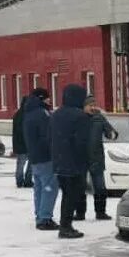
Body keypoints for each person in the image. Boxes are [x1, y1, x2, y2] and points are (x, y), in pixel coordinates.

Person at [50, 84, 91, 239]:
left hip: (59, 161)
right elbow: (82, 142)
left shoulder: (56, 114)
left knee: (67, 194)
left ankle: (65, 224)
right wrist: (85, 160)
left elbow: (51, 138)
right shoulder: (80, 116)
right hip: (75, 162)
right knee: (72, 195)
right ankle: (66, 226)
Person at [75, 97, 118, 221]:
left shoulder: (99, 118)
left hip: (97, 157)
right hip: (81, 158)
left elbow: (112, 133)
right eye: (90, 105)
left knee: (100, 187)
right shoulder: (78, 119)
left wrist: (111, 134)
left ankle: (100, 212)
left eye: (94, 105)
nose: (92, 108)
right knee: (80, 187)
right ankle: (80, 213)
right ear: (84, 107)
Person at [23, 88, 59, 231]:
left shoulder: (28, 113)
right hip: (45, 156)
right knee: (49, 187)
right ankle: (45, 218)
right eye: (47, 97)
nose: (50, 100)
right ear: (41, 98)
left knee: (38, 187)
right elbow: (47, 136)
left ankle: (40, 215)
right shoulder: (42, 114)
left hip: (34, 156)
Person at [12, 96, 33, 188]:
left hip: (22, 143)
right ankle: (24, 180)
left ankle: (21, 180)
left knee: (23, 164)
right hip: (24, 143)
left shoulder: (19, 114)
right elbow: (21, 130)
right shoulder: (24, 114)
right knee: (26, 163)